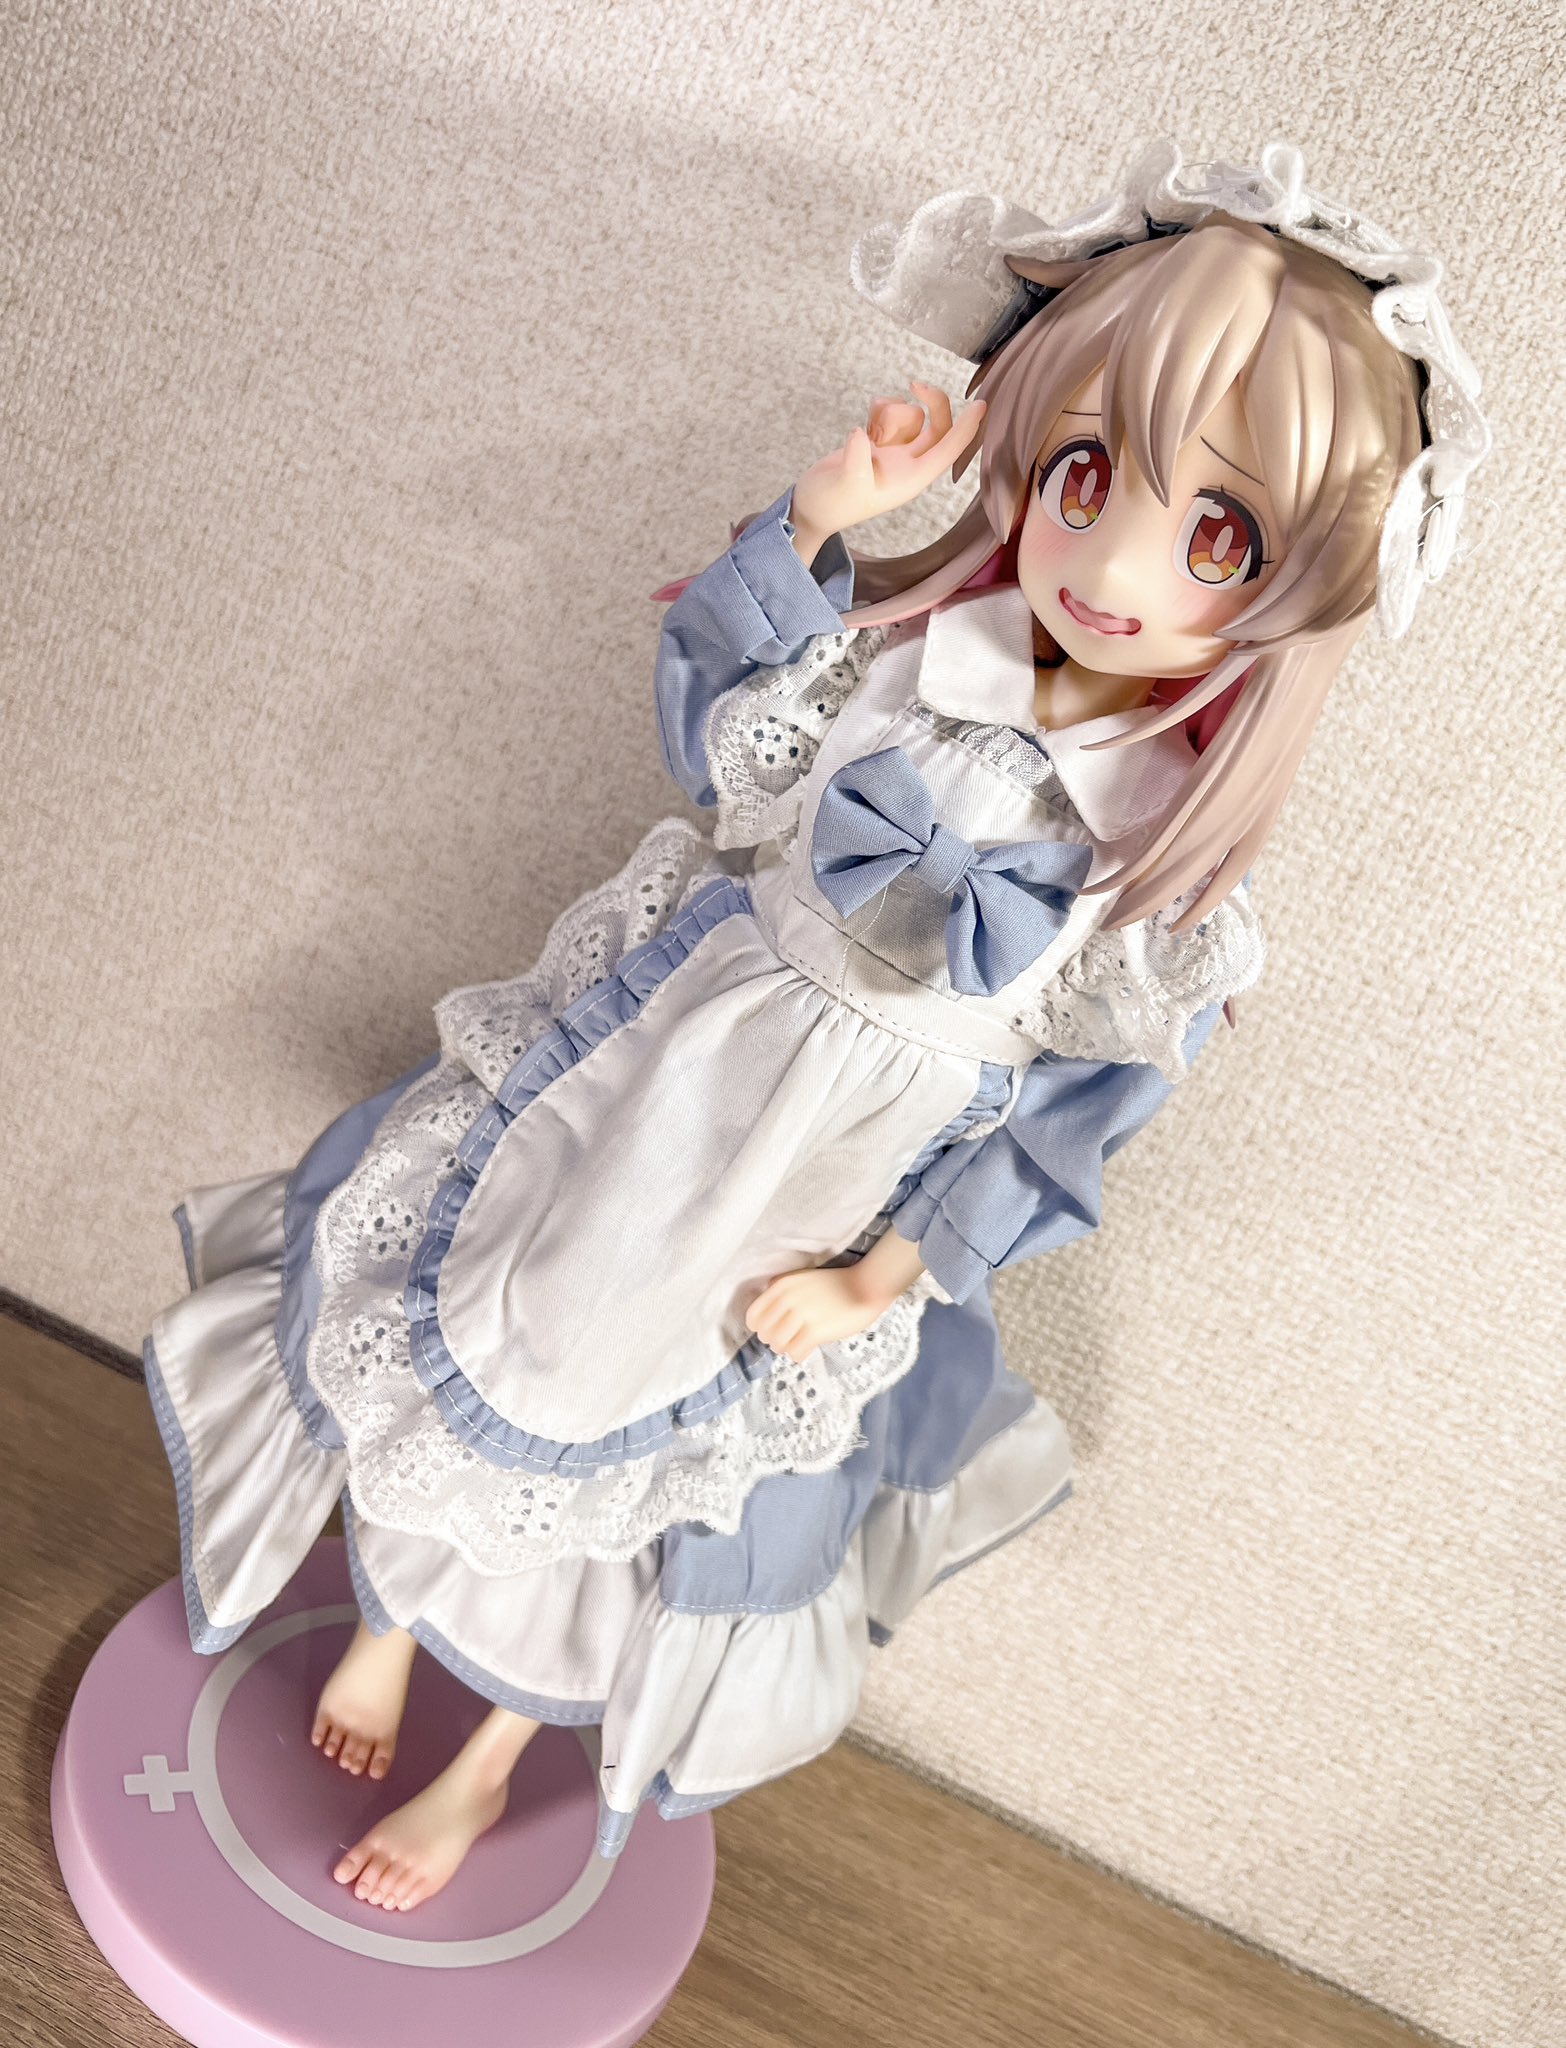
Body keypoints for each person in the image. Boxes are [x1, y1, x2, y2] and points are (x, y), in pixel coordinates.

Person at [141, 140, 1486, 1914]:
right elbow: (717, 735)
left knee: (662, 1482)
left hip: (803, 1198)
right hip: (653, 1078)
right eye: (1085, 473)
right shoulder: (903, 661)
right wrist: (821, 517)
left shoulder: (1156, 878)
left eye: (1215, 533)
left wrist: (879, 1281)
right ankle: (391, 1612)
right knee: (473, 1323)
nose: (1110, 558)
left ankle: (490, 1762)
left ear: (1305, 587)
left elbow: (1056, 1138)